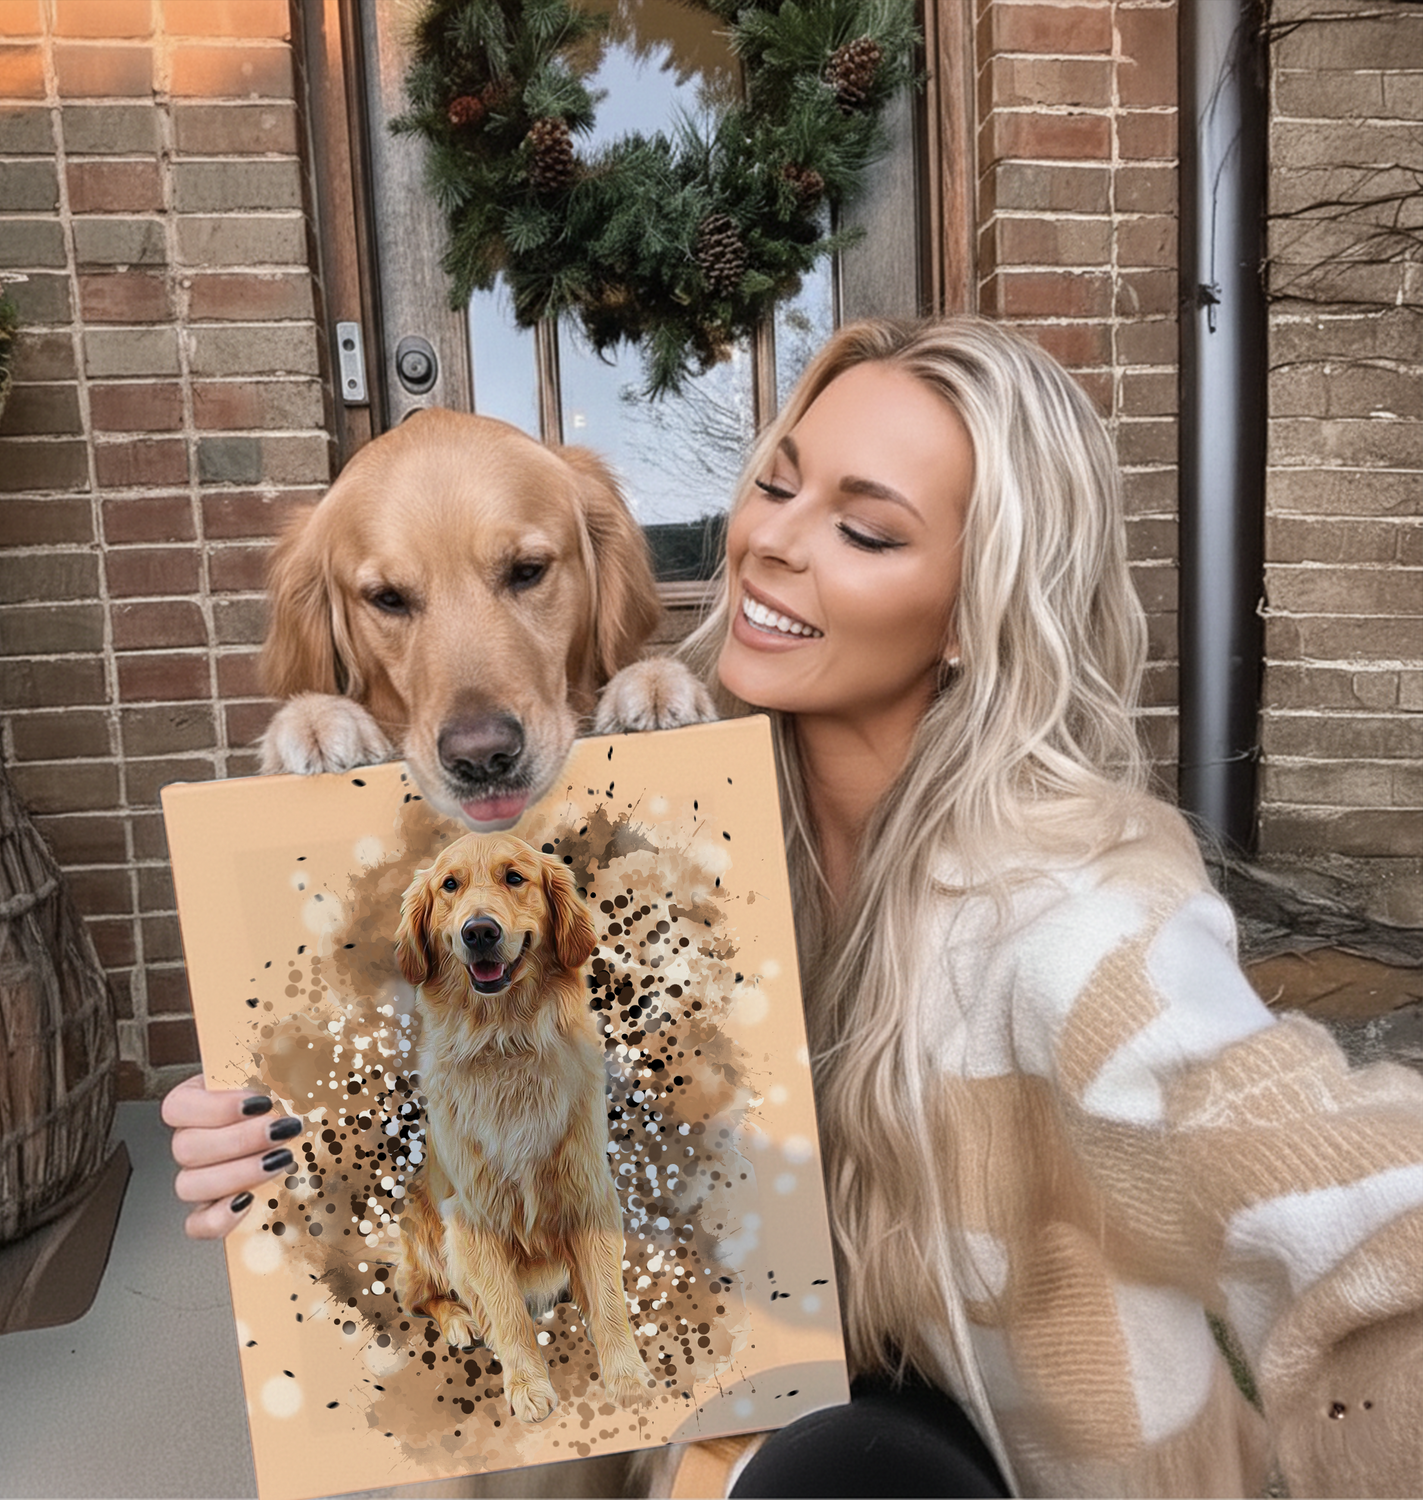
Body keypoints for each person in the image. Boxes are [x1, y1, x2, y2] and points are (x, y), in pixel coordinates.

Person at [164, 317, 1423, 1497]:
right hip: (697, 1414)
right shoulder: (667, 811)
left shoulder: (1075, 907)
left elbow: (1328, 1190)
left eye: (867, 532)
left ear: (984, 606)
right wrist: (278, 1134)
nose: (771, 543)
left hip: (969, 1450)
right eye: (777, 484)